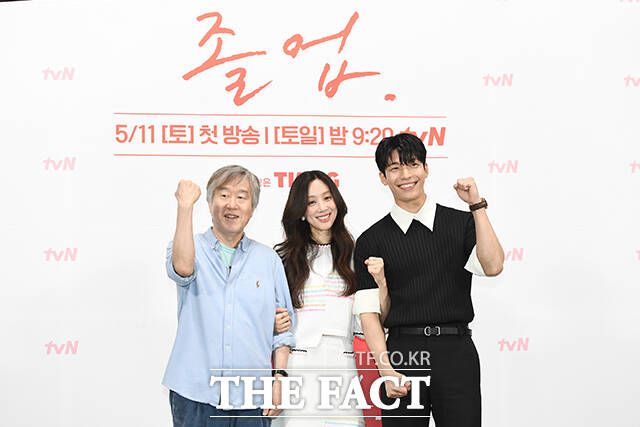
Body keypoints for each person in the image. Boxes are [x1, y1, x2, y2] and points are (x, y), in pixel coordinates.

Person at [353, 133, 504, 427]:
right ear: (383, 177)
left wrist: (477, 206)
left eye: (412, 164)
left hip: (456, 351)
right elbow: (368, 314)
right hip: (403, 354)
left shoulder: (461, 223)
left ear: (425, 169)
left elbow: (494, 265)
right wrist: (385, 369)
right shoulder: (371, 240)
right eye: (395, 168)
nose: (405, 175)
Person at [163, 165, 296, 427]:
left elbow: (284, 330)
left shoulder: (268, 260)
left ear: (252, 207)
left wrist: (279, 380)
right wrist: (185, 207)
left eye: (241, 196)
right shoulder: (190, 247)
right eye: (223, 195)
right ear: (210, 202)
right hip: (195, 393)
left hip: (252, 396)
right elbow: (183, 268)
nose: (231, 204)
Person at [272, 171, 364, 427]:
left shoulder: (357, 254)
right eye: (311, 202)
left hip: (344, 366)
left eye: (327, 198)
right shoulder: (282, 258)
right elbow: (270, 316)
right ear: (301, 211)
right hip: (298, 365)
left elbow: (369, 319)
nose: (322, 208)